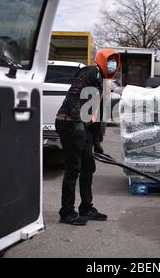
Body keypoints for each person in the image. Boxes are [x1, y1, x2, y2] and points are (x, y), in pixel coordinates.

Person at [55, 50, 120, 226]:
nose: (112, 64)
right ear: (102, 60)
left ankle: (86, 207)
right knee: (73, 168)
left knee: (88, 167)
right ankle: (67, 211)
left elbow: (99, 115)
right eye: (110, 60)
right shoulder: (90, 72)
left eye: (115, 61)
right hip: (69, 123)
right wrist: (77, 123)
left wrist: (97, 141)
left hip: (84, 127)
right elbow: (73, 96)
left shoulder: (104, 82)